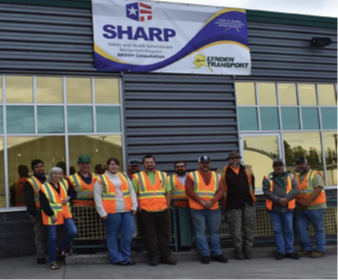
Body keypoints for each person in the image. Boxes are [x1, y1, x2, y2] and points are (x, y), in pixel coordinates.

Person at [132, 154, 176, 266]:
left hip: (162, 209)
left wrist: (167, 205)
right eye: (147, 162)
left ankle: (166, 256)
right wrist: (139, 207)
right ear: (143, 164)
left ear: (155, 163)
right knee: (149, 235)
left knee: (164, 234)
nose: (149, 164)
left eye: (151, 162)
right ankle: (154, 257)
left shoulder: (164, 175)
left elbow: (168, 191)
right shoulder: (137, 177)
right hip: (146, 210)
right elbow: (134, 193)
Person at [94, 158, 138, 265]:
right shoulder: (101, 178)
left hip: (127, 210)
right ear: (107, 166)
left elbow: (131, 191)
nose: (115, 166)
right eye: (112, 164)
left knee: (127, 234)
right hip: (111, 211)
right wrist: (102, 212)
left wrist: (134, 206)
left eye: (117, 164)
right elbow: (97, 196)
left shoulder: (124, 176)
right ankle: (116, 258)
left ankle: (126, 257)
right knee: (112, 235)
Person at [185, 155, 227, 264]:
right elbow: (189, 190)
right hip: (197, 208)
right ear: (199, 164)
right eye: (203, 163)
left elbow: (220, 191)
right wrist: (201, 201)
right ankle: (205, 254)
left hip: (213, 208)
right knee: (200, 232)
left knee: (215, 232)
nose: (205, 164)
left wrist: (211, 202)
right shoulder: (191, 175)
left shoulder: (216, 176)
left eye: (207, 162)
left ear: (210, 163)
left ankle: (217, 253)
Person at [218, 151, 256, 260]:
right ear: (229, 160)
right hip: (232, 203)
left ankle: (247, 249)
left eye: (237, 158)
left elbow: (252, 183)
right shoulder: (222, 171)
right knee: (235, 228)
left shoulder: (247, 169)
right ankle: (238, 250)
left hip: (247, 202)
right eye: (232, 158)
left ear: (240, 159)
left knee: (250, 227)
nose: (235, 160)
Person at [39, 167, 77, 270]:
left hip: (65, 213)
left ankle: (60, 248)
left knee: (73, 231)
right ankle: (53, 261)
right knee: (52, 238)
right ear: (50, 175)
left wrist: (69, 197)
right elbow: (44, 204)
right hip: (52, 215)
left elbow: (73, 193)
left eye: (60, 173)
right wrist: (51, 214)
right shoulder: (44, 187)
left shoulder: (65, 183)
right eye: (55, 173)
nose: (57, 175)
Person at [262, 158, 299, 260]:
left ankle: (290, 251)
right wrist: (279, 200)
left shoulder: (290, 176)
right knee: (277, 231)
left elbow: (295, 190)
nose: (278, 167)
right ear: (273, 167)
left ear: (283, 166)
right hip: (274, 209)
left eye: (280, 165)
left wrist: (286, 199)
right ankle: (281, 251)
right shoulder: (267, 177)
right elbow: (266, 191)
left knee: (289, 230)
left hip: (288, 209)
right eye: (276, 165)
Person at [294, 157, 327, 258]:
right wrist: (298, 201)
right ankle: (307, 249)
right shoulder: (297, 177)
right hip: (301, 208)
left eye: (302, 163)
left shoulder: (315, 174)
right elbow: (296, 192)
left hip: (316, 207)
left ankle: (320, 250)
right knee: (301, 229)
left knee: (318, 229)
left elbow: (318, 189)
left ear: (307, 164)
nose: (301, 165)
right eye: (299, 164)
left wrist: (307, 202)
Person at [23, 159, 47, 264]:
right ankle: (40, 256)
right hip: (38, 212)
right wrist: (34, 213)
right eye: (37, 167)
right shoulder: (30, 182)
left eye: (41, 166)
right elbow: (29, 200)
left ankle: (56, 253)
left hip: (50, 212)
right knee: (39, 235)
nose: (40, 168)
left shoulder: (48, 179)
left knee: (53, 233)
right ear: (33, 169)